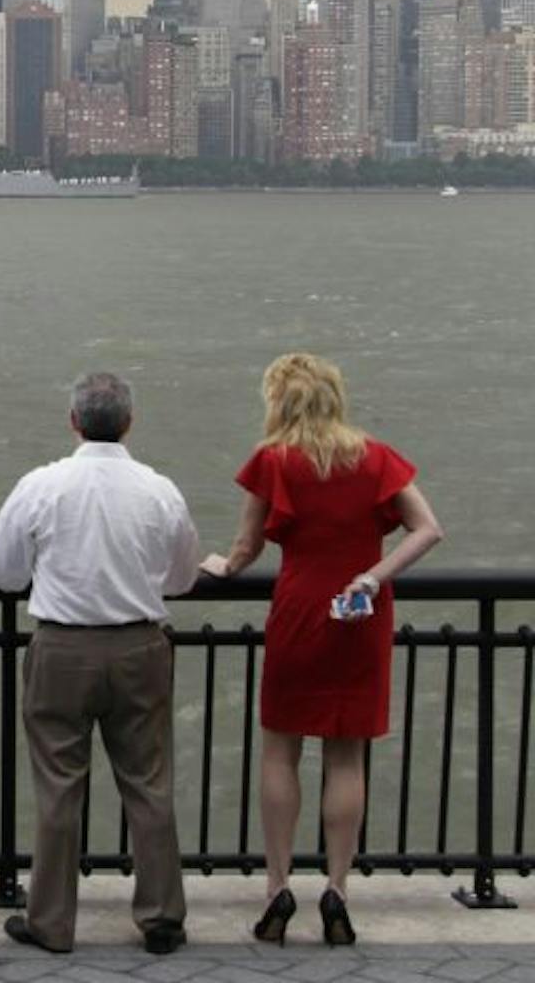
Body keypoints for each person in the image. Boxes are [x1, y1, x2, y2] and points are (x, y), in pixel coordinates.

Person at [200, 353, 443, 947]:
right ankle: (337, 888)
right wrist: (373, 575)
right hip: (359, 615)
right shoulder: (375, 457)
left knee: (281, 751)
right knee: (346, 757)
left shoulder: (274, 460)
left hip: (301, 611)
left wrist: (221, 567)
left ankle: (277, 886)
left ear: (278, 402)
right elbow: (428, 529)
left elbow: (244, 546)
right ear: (335, 396)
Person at [0, 373, 199, 956]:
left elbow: (3, 575)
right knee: (149, 783)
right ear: (129, 422)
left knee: (59, 788)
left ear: (73, 422)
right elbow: (181, 578)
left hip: (62, 647)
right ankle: (161, 916)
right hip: (139, 647)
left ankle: (51, 922)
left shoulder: (41, 485)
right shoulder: (160, 490)